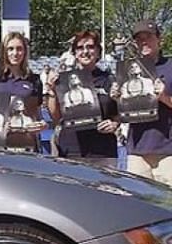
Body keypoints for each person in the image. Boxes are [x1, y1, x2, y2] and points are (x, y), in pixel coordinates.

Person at [112, 20, 172, 183]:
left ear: (160, 39)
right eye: (139, 39)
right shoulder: (127, 70)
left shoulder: (170, 66)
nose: (144, 41)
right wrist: (118, 98)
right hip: (137, 150)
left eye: (149, 37)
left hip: (167, 152)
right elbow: (123, 113)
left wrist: (164, 97)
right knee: (139, 204)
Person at [47, 32, 119, 164]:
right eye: (80, 48)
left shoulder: (110, 79)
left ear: (98, 52)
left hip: (103, 151)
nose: (85, 51)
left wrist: (114, 124)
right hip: (71, 149)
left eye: (90, 47)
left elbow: (119, 115)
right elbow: (56, 117)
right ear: (74, 53)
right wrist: (52, 91)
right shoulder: (62, 80)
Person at [0, 32, 45, 148]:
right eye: (10, 49)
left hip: (25, 143)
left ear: (25, 52)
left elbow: (36, 114)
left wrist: (41, 124)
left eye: (19, 49)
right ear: (4, 51)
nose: (15, 53)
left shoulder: (34, 80)